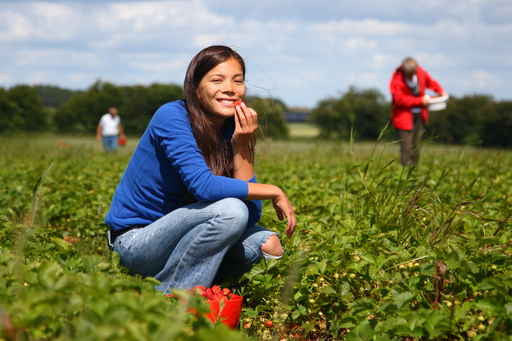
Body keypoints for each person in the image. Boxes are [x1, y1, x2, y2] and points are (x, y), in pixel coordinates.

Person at [104, 45, 296, 293]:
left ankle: (195, 282)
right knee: (230, 211)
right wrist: (273, 190)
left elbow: (251, 214)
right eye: (217, 79)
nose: (230, 88)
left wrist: (242, 144)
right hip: (137, 241)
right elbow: (203, 187)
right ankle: (173, 298)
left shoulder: (232, 127)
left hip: (191, 235)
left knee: (268, 244)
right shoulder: (172, 116)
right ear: (195, 86)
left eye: (238, 80)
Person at [389, 57, 447, 166]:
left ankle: (414, 170)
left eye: (412, 73)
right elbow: (400, 100)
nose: (410, 76)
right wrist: (420, 101)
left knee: (416, 145)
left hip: (420, 115)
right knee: (406, 146)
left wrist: (440, 91)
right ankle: (405, 170)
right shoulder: (396, 79)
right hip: (403, 118)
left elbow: (431, 82)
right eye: (408, 74)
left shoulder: (420, 73)